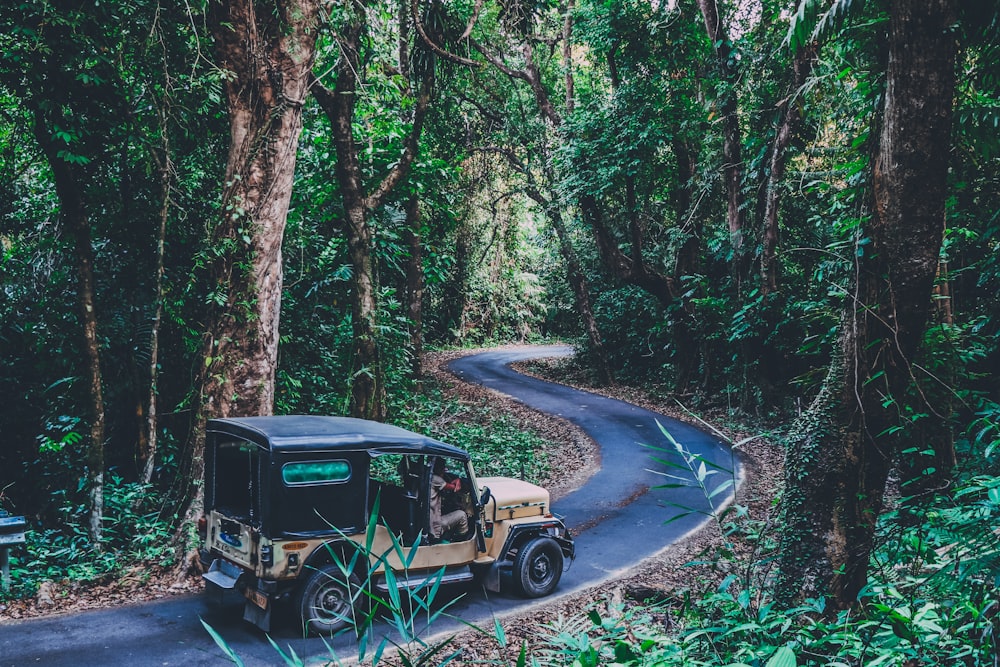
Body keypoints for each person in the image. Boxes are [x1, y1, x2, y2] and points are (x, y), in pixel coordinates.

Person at [429, 458, 469, 541]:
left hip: (425, 521)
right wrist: (459, 480)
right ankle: (461, 540)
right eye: (442, 468)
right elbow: (455, 488)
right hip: (435, 526)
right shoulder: (435, 479)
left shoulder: (423, 477)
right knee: (462, 515)